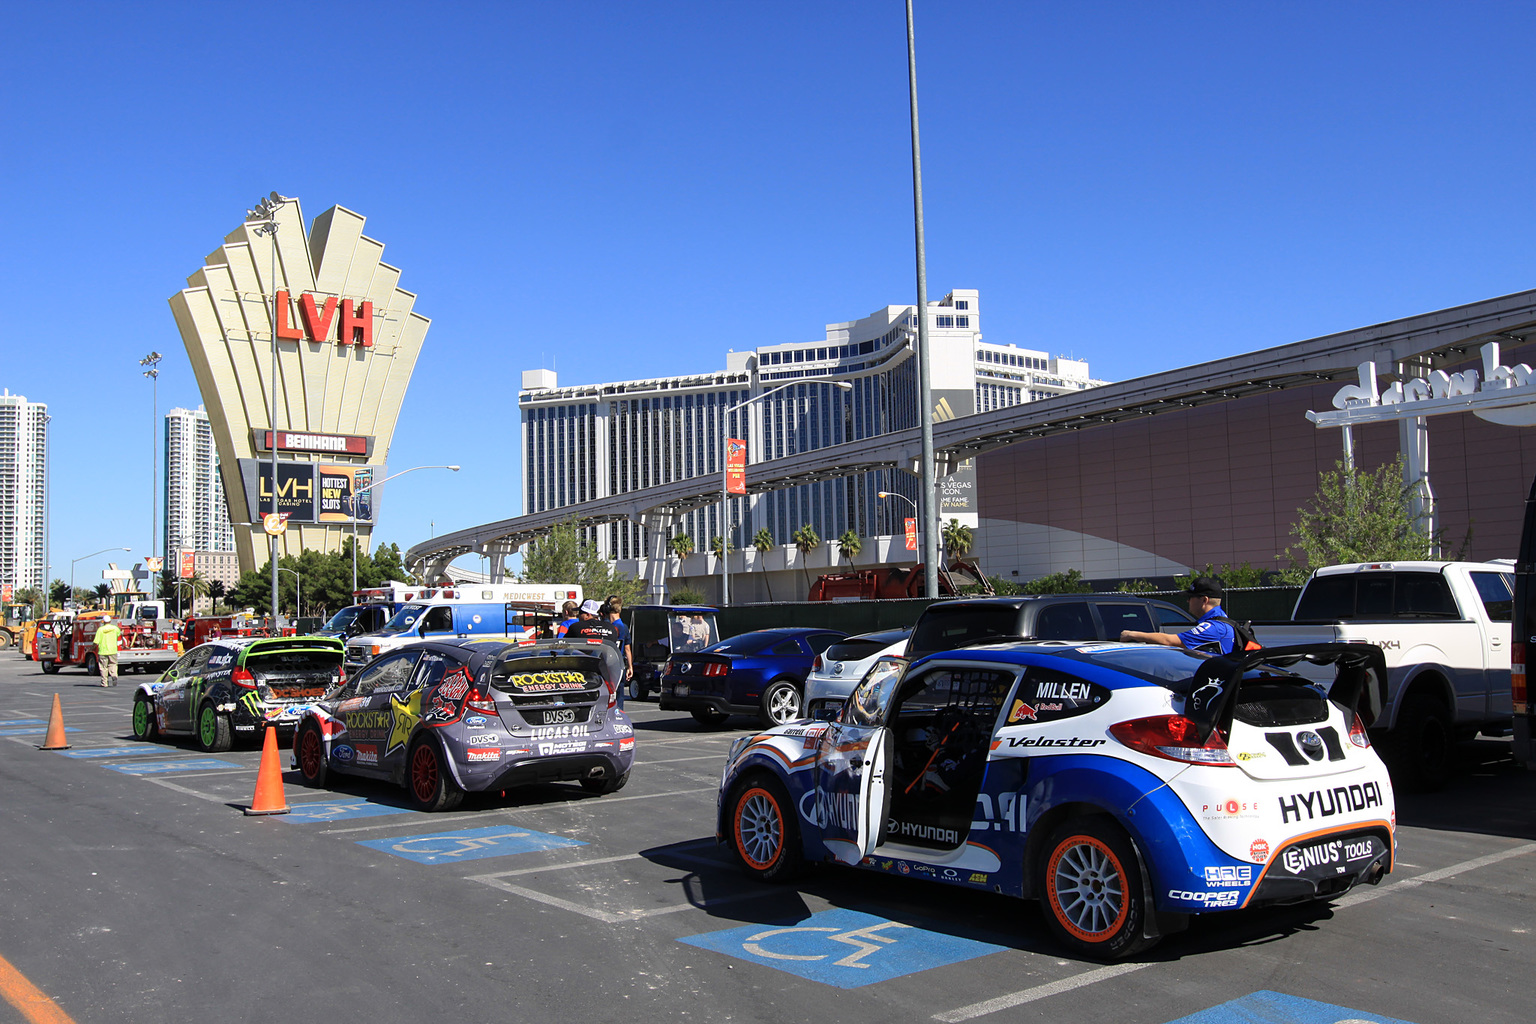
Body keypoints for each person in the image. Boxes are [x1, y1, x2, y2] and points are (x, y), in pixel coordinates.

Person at [1119, 577, 1235, 655]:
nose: (1187, 601)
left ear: (1204, 600)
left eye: (1190, 598)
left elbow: (1170, 641)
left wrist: (1131, 634)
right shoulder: (1222, 620)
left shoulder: (1214, 627)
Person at [602, 595, 633, 708]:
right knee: (619, 698)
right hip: (619, 666)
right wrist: (630, 666)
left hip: (606, 666)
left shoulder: (605, 627)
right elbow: (627, 649)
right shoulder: (623, 627)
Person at [93, 618, 123, 687]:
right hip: (113, 650)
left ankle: (104, 683)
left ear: (103, 621)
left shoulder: (100, 630)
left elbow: (96, 642)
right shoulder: (115, 628)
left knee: (103, 667)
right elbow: (118, 634)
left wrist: (91, 648)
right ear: (110, 621)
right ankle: (114, 676)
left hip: (103, 651)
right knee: (113, 664)